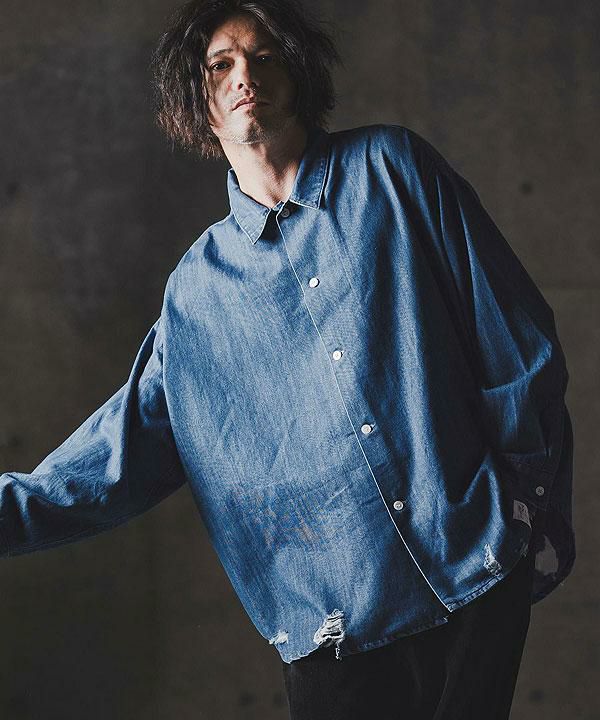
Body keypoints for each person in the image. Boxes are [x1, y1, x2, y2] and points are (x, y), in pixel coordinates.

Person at [1, 0, 575, 718]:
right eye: (221, 64)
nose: (245, 74)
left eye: (264, 56)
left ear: (297, 73)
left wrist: (520, 501)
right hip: (330, 626)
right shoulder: (197, 292)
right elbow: (118, 455)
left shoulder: (393, 169)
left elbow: (515, 338)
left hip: (474, 569)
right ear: (199, 102)